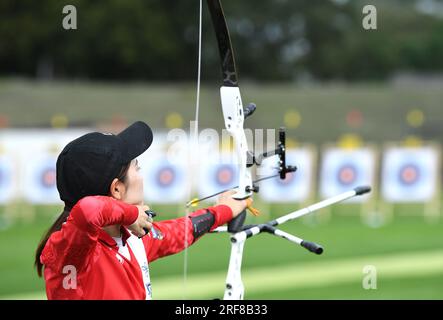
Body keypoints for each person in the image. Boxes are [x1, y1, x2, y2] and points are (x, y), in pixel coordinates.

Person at [34, 121, 247, 300]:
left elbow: (178, 232)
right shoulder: (69, 253)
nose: (142, 174)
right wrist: (132, 214)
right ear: (117, 188)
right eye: (137, 167)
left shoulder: (130, 237)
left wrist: (223, 210)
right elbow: (89, 210)